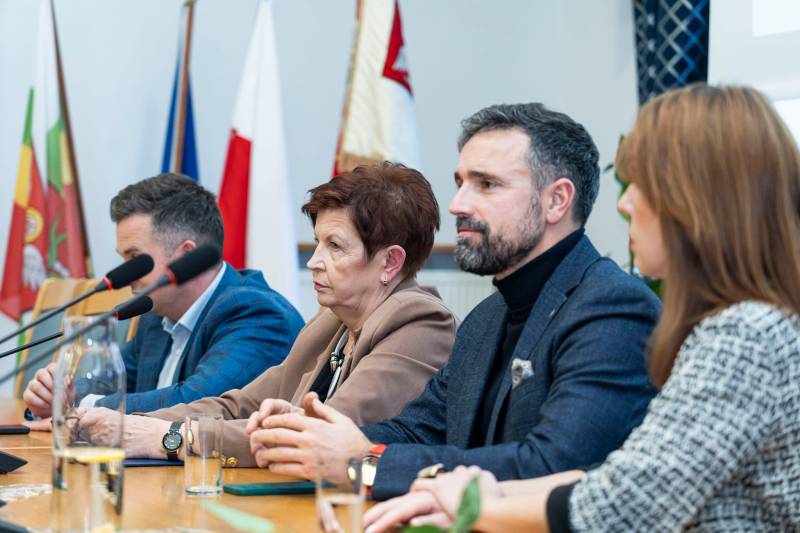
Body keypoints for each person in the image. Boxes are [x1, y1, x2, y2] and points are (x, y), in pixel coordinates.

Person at [363, 85, 800, 532]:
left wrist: (466, 501)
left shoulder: (745, 335)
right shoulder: (486, 318)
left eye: (643, 185)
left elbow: (623, 503)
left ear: (702, 202)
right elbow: (606, 477)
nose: (624, 203)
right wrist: (359, 462)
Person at [248, 103, 661, 499]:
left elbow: (551, 466)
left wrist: (364, 463)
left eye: (487, 184)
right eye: (460, 182)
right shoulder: (487, 317)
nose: (457, 204)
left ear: (556, 200)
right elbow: (418, 430)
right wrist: (314, 436)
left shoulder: (612, 308)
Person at [77, 163, 457, 467]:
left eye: (335, 246)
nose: (314, 261)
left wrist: (170, 438)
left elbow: (313, 437)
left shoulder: (420, 322)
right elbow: (239, 404)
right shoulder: (333, 322)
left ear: (390, 262)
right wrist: (132, 424)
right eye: (318, 242)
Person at [23, 173, 304, 417]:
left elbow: (195, 404)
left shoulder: (257, 314)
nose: (126, 275)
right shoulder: (157, 316)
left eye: (135, 259)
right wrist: (58, 394)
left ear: (187, 256)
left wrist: (78, 406)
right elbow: (112, 383)